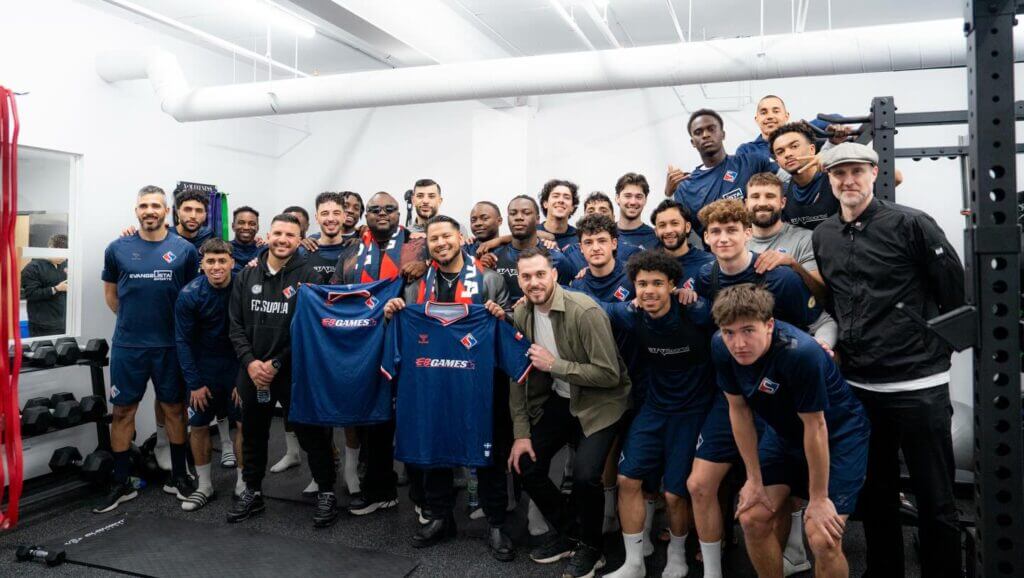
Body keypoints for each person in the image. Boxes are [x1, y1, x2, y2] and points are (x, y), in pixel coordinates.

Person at [812, 142, 966, 578]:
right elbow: (837, 299)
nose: (848, 181)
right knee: (876, 496)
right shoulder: (824, 235)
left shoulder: (911, 223)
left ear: (874, 174)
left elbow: (953, 291)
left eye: (856, 171)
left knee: (935, 498)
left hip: (918, 386)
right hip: (861, 388)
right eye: (839, 173)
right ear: (829, 180)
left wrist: (931, 347)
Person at [688, 198, 836, 578]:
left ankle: (792, 549)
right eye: (716, 232)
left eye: (731, 230)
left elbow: (819, 321)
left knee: (779, 492)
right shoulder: (706, 277)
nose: (723, 238)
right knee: (699, 483)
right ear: (706, 238)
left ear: (747, 233)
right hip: (735, 394)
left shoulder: (779, 277)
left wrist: (824, 347)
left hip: (779, 395)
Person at [381, 215, 518, 560]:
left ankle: (496, 523)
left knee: (489, 453)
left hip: (480, 381)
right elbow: (404, 329)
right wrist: (393, 312)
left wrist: (500, 314)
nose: (441, 243)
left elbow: (510, 324)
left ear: (460, 238)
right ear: (427, 244)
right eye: (434, 239)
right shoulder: (415, 286)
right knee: (434, 445)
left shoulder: (488, 279)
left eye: (446, 236)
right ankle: (441, 517)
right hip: (432, 379)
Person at [712, 284, 870, 578]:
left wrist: (818, 499)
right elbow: (739, 410)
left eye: (748, 330)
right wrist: (753, 479)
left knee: (823, 537)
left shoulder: (800, 353)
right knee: (752, 517)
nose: (738, 343)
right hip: (784, 433)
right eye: (729, 332)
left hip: (837, 435)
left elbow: (816, 426)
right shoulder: (721, 346)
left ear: (769, 325)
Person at [508, 245, 631, 578]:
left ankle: (593, 549)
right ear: (519, 281)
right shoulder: (522, 314)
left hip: (601, 402)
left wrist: (555, 365)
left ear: (554, 275)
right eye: (526, 277)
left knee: (585, 476)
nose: (534, 282)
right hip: (562, 399)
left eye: (540, 274)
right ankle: (572, 533)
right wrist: (521, 434)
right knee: (525, 464)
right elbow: (517, 378)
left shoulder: (585, 311)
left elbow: (610, 375)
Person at [601, 250, 716, 578]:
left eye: (657, 283)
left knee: (675, 494)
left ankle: (677, 554)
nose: (648, 290)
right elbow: (593, 305)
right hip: (654, 408)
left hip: (692, 412)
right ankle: (633, 563)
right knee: (627, 480)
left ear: (672, 285)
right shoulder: (631, 314)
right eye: (642, 284)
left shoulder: (695, 312)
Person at [227, 214, 339, 528]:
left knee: (312, 434)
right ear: (268, 235)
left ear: (300, 239)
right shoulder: (246, 275)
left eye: (291, 235)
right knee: (253, 434)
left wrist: (277, 362)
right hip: (253, 371)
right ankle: (253, 491)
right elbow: (235, 326)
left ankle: (326, 492)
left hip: (294, 371)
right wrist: (251, 363)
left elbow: (310, 328)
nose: (283, 239)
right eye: (278, 233)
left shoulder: (310, 276)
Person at [95, 185, 200, 514]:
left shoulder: (184, 250)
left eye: (156, 205)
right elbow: (111, 295)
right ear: (136, 210)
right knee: (122, 412)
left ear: (166, 211)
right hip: (129, 346)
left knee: (174, 410)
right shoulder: (117, 248)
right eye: (144, 206)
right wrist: (133, 322)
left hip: (170, 345)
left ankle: (179, 476)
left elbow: (192, 296)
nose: (149, 211)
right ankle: (121, 481)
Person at [331, 191, 427, 517]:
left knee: (414, 420)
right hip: (368, 346)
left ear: (400, 213)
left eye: (389, 208)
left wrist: (426, 263)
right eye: (374, 209)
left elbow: (452, 263)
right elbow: (336, 292)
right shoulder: (352, 251)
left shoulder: (419, 245)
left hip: (412, 345)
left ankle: (424, 499)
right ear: (365, 215)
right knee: (375, 423)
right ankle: (380, 491)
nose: (382, 213)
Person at [568, 214, 644, 538]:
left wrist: (600, 309)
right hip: (602, 385)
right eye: (588, 242)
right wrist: (619, 311)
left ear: (614, 243)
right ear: (580, 248)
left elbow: (636, 320)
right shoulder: (577, 285)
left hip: (640, 377)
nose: (596, 247)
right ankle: (610, 516)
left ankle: (643, 529)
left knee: (638, 460)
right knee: (606, 455)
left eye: (602, 240)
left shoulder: (633, 277)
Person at [175, 238, 243, 510]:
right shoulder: (189, 294)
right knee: (199, 426)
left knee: (244, 425)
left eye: (222, 261)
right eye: (211, 261)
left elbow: (253, 334)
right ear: (201, 264)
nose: (217, 267)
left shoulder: (244, 287)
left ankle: (243, 483)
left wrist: (243, 379)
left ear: (232, 262)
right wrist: (194, 383)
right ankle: (204, 486)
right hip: (204, 369)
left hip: (237, 366)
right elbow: (182, 341)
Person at [664, 109, 776, 236]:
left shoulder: (752, 162)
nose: (705, 135)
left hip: (759, 243)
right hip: (717, 248)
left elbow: (787, 189)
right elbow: (678, 232)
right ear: (693, 142)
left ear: (723, 134)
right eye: (698, 132)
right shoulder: (685, 187)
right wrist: (669, 195)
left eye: (711, 129)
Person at [745, 172, 826, 302]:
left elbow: (822, 295)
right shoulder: (736, 242)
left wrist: (794, 265)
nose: (762, 203)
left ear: (783, 202)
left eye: (770, 196)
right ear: (746, 203)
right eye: (755, 197)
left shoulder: (805, 239)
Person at [487, 195, 576, 301]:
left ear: (537, 219)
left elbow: (562, 300)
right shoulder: (493, 257)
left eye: (526, 213)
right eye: (513, 213)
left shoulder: (557, 259)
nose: (519, 217)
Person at [650, 199, 714, 290]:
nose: (668, 230)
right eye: (662, 225)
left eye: (674, 223)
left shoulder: (709, 263)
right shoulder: (648, 266)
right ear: (656, 231)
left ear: (687, 227)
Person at [21, 233, 68, 336]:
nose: (64, 258)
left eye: (66, 255)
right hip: (42, 325)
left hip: (63, 323)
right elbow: (31, 294)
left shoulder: (64, 265)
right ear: (51, 248)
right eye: (61, 254)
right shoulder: (33, 268)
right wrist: (56, 289)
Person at [735, 95, 791, 163]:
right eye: (763, 113)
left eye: (776, 111)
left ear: (786, 116)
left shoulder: (798, 146)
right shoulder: (746, 151)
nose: (770, 116)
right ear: (757, 119)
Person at [615, 173, 658, 250]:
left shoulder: (655, 237)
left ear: (645, 200)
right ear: (617, 198)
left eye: (639, 197)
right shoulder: (607, 234)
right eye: (628, 196)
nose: (633, 202)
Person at [537, 179, 581, 251]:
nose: (561, 200)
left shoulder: (579, 238)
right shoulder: (532, 234)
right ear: (545, 204)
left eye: (566, 197)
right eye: (555, 196)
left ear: (572, 207)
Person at [230, 206, 261, 275]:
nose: (246, 227)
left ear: (257, 228)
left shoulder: (265, 252)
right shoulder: (224, 250)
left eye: (252, 224)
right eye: (241, 223)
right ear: (233, 226)